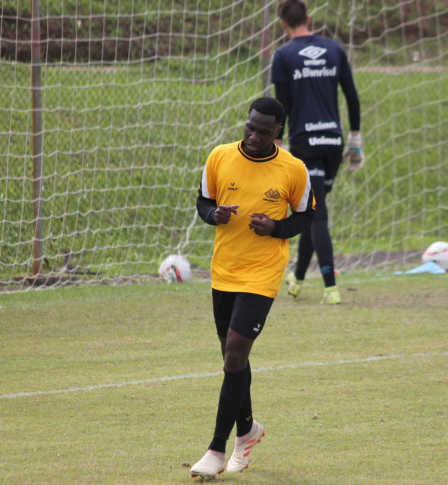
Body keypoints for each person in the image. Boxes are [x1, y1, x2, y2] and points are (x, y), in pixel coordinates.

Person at [189, 97, 315, 478]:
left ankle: (215, 449)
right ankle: (248, 430)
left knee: (234, 354)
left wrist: (276, 228)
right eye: (251, 127)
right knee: (233, 360)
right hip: (224, 270)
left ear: (278, 131)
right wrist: (216, 215)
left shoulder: (293, 169)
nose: (255, 136)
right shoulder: (219, 157)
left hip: (263, 273)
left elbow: (307, 216)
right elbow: (203, 202)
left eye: (264, 131)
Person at [271, 0, 364, 305]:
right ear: (308, 19)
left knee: (317, 215)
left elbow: (281, 105)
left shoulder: (283, 55)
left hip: (304, 143)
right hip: (333, 143)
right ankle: (297, 279)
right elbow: (351, 96)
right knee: (313, 210)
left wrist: (277, 142)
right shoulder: (334, 49)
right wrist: (355, 140)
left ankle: (330, 288)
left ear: (283, 24)